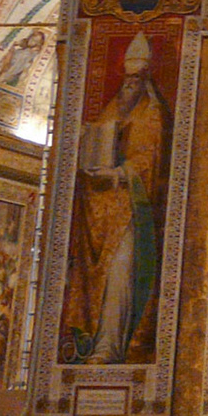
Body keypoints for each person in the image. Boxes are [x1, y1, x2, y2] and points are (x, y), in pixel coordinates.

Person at [65, 32, 168, 364]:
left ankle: (112, 344)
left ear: (145, 81)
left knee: (120, 274)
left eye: (135, 81)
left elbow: (147, 161)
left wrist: (119, 174)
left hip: (130, 213)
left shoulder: (150, 113)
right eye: (126, 80)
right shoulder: (114, 108)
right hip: (100, 212)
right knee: (96, 275)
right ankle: (92, 341)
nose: (129, 87)